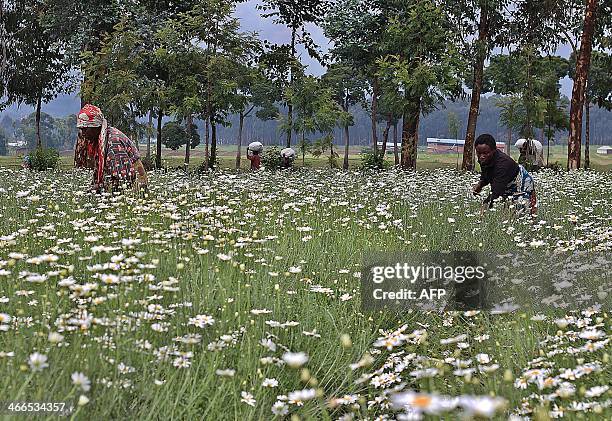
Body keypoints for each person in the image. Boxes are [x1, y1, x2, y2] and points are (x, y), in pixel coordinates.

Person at [76, 104, 148, 193]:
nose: (83, 133)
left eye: (85, 129)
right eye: (81, 129)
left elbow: (124, 179)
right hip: (119, 189)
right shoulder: (102, 140)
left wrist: (99, 188)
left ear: (96, 126)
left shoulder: (113, 142)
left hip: (134, 191)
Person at [472, 134, 537, 216]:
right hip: (505, 182)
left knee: (522, 214)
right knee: (506, 212)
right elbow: (486, 173)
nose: (481, 156)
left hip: (520, 183)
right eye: (479, 153)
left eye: (485, 153)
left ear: (494, 150)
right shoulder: (485, 159)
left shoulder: (502, 165)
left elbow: (496, 192)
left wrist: (484, 207)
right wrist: (480, 184)